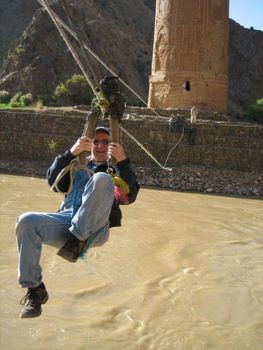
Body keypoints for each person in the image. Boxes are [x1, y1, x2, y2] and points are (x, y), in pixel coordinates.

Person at [15, 126, 139, 318]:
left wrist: (122, 161)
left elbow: (129, 197)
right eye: (95, 141)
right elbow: (52, 181)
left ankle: (78, 239)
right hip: (67, 222)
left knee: (101, 178)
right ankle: (35, 290)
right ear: (89, 145)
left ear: (112, 146)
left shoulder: (115, 170)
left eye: (106, 142)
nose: (100, 145)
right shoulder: (77, 165)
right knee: (26, 221)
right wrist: (71, 152)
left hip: (95, 228)